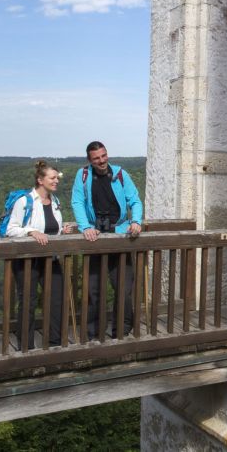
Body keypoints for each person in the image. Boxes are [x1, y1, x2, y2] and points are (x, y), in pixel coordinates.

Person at [71, 141, 143, 340]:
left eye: (104, 156)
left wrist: (136, 221)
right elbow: (77, 201)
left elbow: (135, 200)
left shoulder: (120, 174)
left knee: (123, 288)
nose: (102, 161)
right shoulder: (83, 175)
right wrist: (85, 227)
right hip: (95, 237)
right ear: (90, 160)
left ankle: (121, 330)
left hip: (120, 235)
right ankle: (93, 333)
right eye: (97, 158)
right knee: (94, 289)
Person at [4, 160, 75, 349]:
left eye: (56, 178)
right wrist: (30, 232)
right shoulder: (25, 201)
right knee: (28, 301)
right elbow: (11, 229)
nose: (56, 181)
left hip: (51, 258)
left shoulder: (55, 202)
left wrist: (62, 231)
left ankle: (54, 343)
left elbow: (52, 230)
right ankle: (26, 347)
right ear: (40, 180)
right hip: (28, 260)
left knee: (57, 299)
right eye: (52, 178)